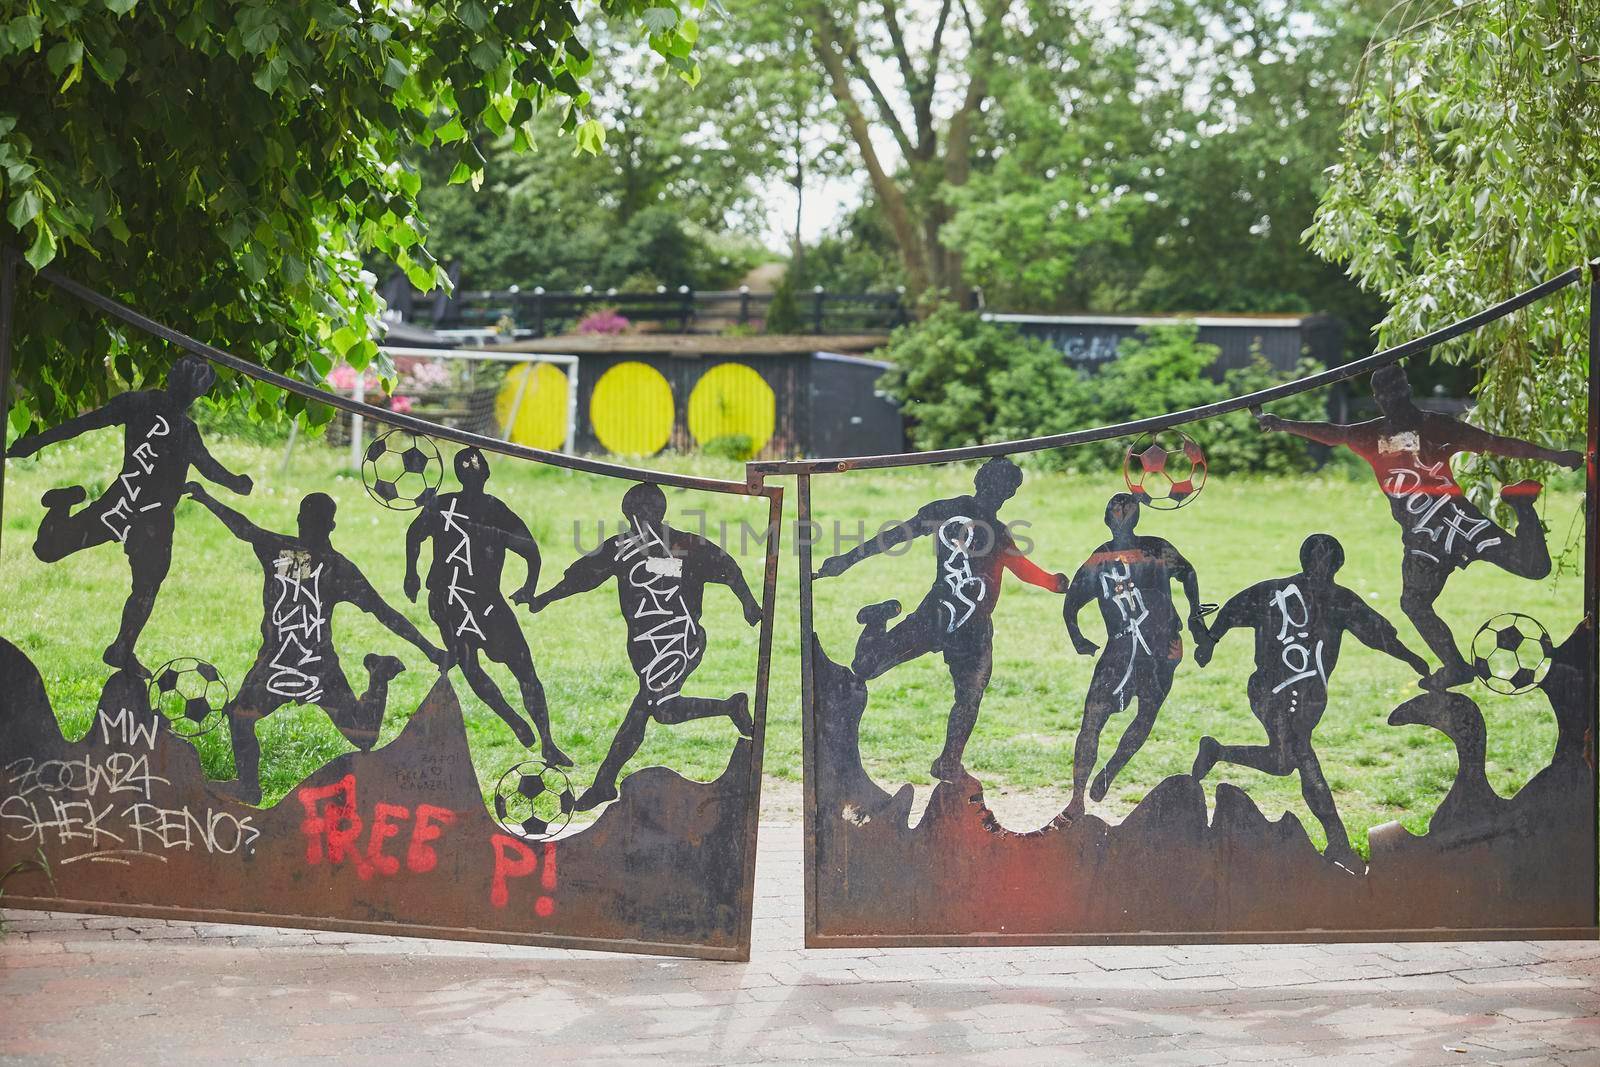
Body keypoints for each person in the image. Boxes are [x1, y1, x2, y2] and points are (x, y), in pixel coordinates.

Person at [1258, 363, 1583, 688]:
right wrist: (1281, 423)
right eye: (1386, 395)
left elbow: (1495, 442)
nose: (1393, 400)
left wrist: (1553, 456)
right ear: (1377, 397)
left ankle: (1520, 504)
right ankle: (1455, 667)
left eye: (1398, 392)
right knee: (1413, 603)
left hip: (1460, 524)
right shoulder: (1370, 434)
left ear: (1407, 389)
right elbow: (1333, 433)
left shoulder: (1438, 426)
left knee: (1536, 567)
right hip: (1422, 542)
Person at [186, 485, 448, 803]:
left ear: (306, 520)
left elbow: (384, 612)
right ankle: (248, 786)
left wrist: (431, 649)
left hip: (313, 666)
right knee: (242, 717)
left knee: (362, 736)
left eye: (311, 520)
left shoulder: (315, 562)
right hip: (282, 663)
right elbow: (245, 529)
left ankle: (379, 674)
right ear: (329, 524)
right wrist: (205, 498)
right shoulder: (295, 556)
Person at [814, 457, 1063, 783]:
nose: (998, 492)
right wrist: (846, 560)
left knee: (970, 694)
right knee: (866, 667)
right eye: (995, 483)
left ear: (1010, 494)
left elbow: (1025, 570)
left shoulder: (1000, 535)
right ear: (978, 479)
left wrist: (1054, 583)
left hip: (973, 630)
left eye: (1005, 488)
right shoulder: (948, 510)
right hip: (935, 616)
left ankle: (949, 760)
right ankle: (878, 619)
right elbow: (894, 537)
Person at [1192, 533, 1430, 869]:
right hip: (1271, 692)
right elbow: (1232, 609)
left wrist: (1410, 658)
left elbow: (1377, 634)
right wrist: (1210, 640)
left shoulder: (1340, 600)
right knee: (1301, 757)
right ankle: (1338, 841)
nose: (1320, 564)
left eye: (1326, 558)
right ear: (1307, 560)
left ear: (1336, 563)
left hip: (1309, 699)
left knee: (1282, 762)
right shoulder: (1273, 591)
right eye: (1315, 557)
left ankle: (1217, 751)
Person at [527, 482, 762, 811]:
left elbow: (730, 569)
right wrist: (544, 598)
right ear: (628, 515)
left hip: (680, 640)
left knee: (661, 710)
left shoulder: (685, 546)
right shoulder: (621, 549)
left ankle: (730, 707)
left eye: (651, 513)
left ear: (661, 513)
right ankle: (604, 783)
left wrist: (749, 605)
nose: (645, 520)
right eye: (639, 514)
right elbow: (580, 579)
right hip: (644, 651)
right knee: (640, 713)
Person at [9, 355, 252, 670]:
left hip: (153, 519)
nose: (190, 395)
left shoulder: (184, 429)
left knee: (147, 584)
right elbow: (85, 423)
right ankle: (62, 504)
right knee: (46, 550)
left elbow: (207, 466)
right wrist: (36, 442)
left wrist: (235, 483)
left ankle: (123, 648)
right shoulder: (140, 405)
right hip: (121, 505)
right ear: (179, 382)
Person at [404, 448, 570, 767]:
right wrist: (410, 572)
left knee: (519, 668)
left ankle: (545, 740)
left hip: (484, 602)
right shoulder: (448, 506)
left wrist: (529, 585)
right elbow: (415, 534)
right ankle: (517, 722)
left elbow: (530, 550)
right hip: (450, 599)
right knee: (473, 664)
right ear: (485, 475)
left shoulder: (490, 510)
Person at [1062, 493, 1209, 818]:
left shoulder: (1156, 548)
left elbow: (1189, 575)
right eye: (1117, 509)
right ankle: (1076, 797)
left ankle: (1110, 771)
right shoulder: (1098, 559)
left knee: (1146, 713)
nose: (1122, 513)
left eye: (1128, 509)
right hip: (1120, 649)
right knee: (1092, 720)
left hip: (1161, 650)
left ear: (1137, 517)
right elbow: (1072, 601)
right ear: (1107, 519)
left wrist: (1196, 621)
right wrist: (1078, 638)